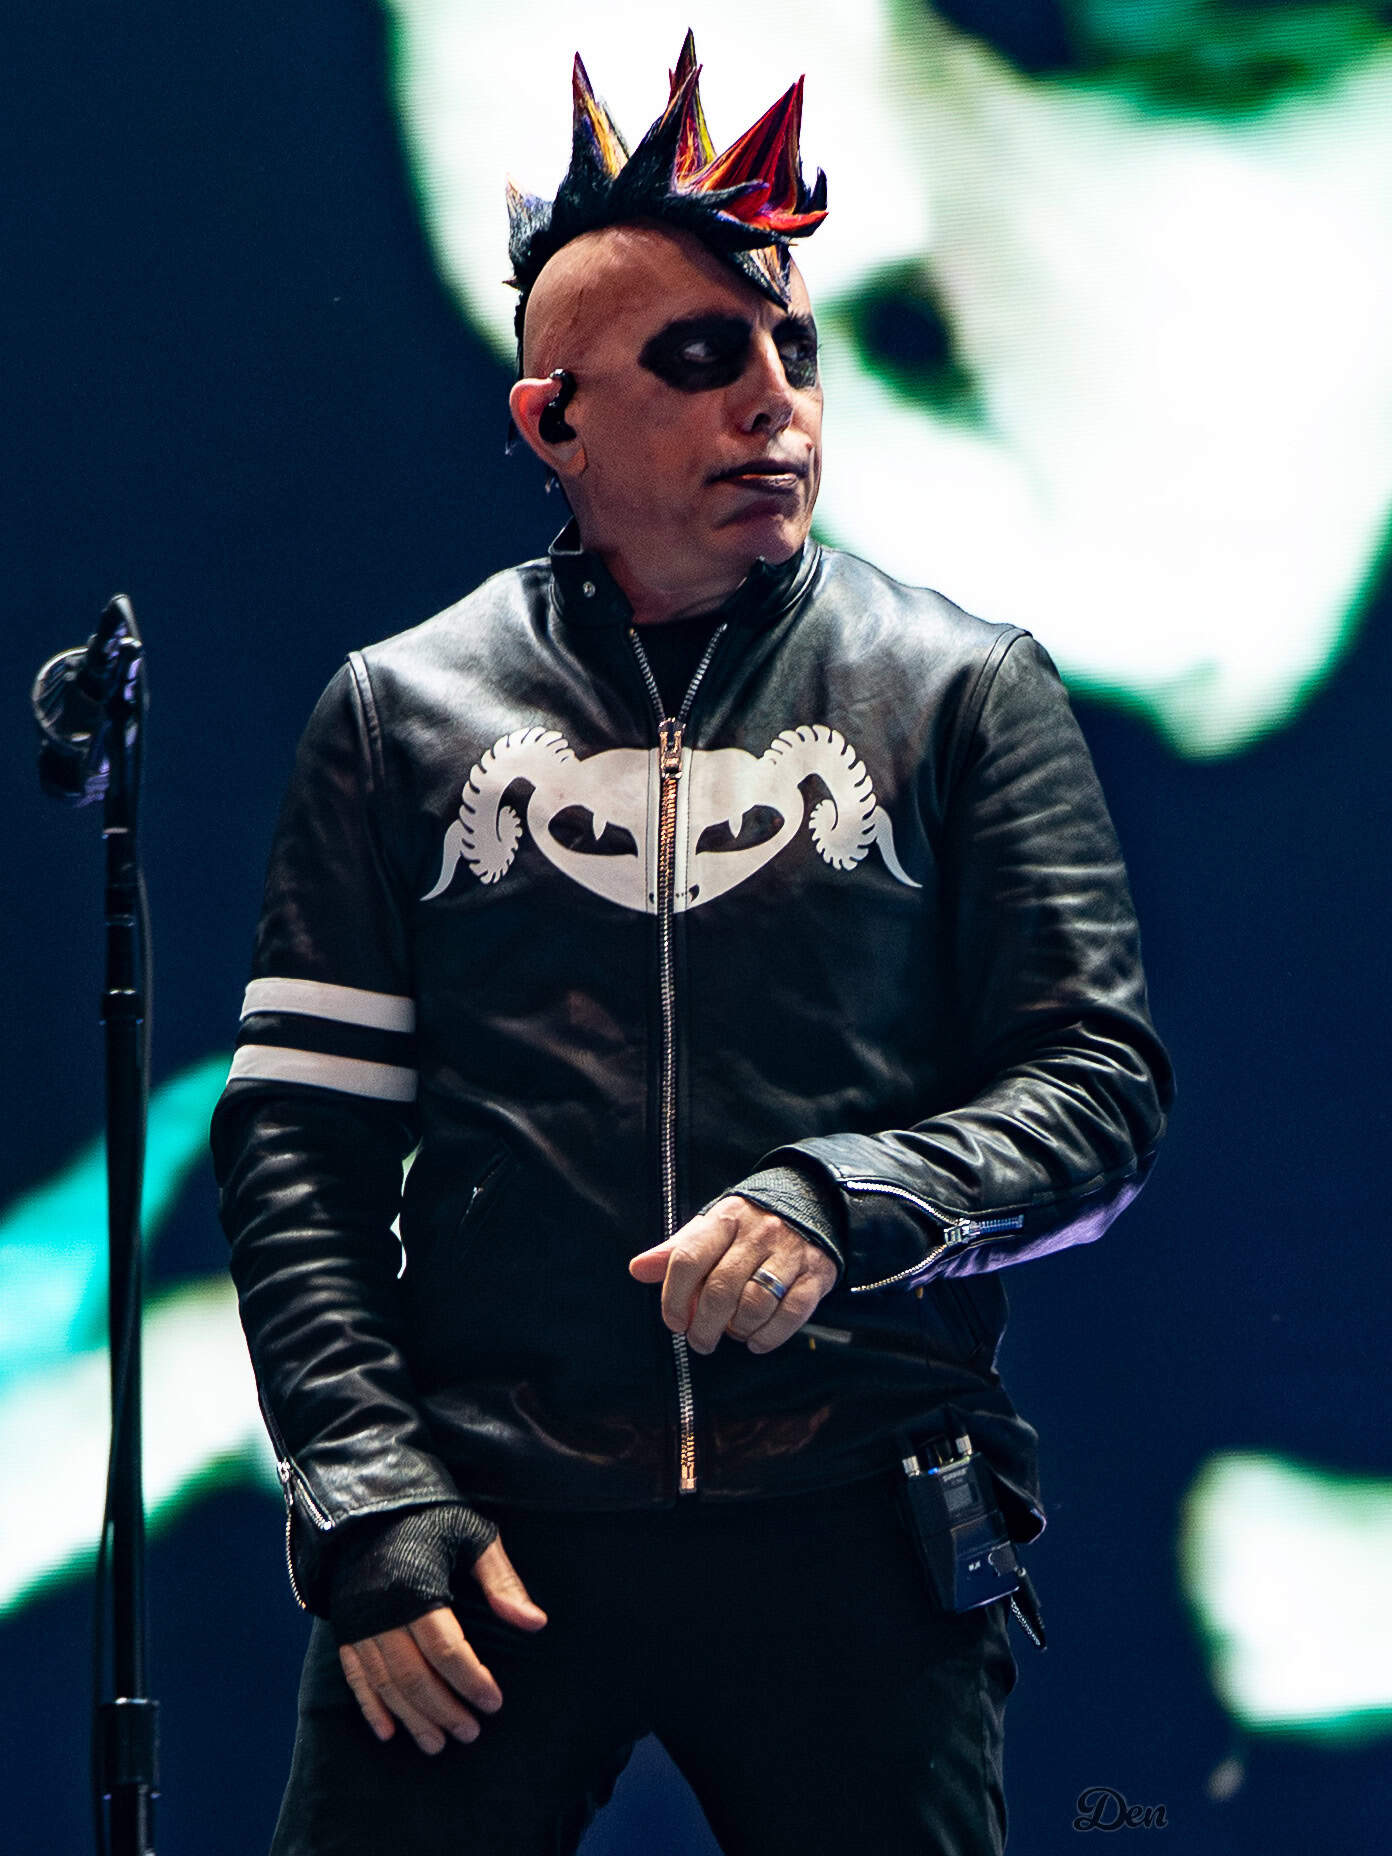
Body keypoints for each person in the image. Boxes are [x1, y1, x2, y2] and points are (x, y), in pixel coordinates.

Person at [212, 35, 1172, 1854]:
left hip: (857, 1515)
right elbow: (298, 1145)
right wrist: (363, 1495)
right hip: (485, 1531)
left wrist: (843, 1197)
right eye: (701, 357)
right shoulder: (397, 713)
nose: (776, 403)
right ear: (552, 420)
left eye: (794, 350)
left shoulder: (966, 691)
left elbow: (1099, 1094)